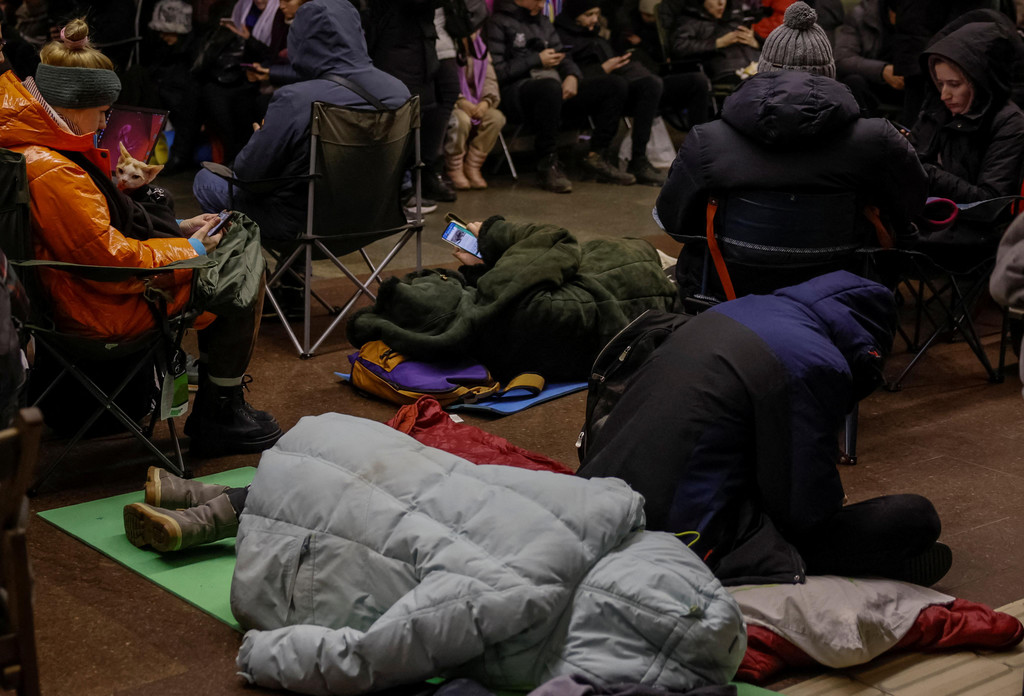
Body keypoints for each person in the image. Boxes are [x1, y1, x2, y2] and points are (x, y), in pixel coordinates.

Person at [123, 415, 747, 696]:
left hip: (349, 443)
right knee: (338, 529)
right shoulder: (512, 598)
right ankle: (216, 513)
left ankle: (207, 502)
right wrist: (261, 657)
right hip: (309, 531)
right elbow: (373, 656)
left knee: (398, 502)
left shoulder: (612, 506)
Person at [0, 18, 282, 456]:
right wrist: (189, 248)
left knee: (231, 243)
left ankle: (220, 405)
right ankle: (220, 411)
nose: (104, 122)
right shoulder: (54, 168)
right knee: (242, 251)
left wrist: (179, 230)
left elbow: (96, 235)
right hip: (101, 307)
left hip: (68, 295)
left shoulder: (28, 142)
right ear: (74, 104)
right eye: (101, 112)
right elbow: (110, 258)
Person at [576, 271, 952, 587]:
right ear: (868, 349)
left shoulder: (730, 312)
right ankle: (873, 566)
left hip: (600, 497)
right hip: (678, 534)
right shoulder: (815, 362)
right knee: (913, 518)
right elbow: (805, 511)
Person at [656, 2, 927, 298]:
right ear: (829, 73)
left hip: (733, 292)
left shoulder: (708, 140)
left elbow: (674, 222)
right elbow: (912, 207)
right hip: (843, 292)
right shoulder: (878, 139)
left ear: (763, 69)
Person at [346, 216, 679, 382]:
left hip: (630, 315)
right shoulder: (505, 294)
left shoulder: (468, 341)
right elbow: (556, 240)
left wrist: (479, 269)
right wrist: (490, 234)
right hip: (646, 281)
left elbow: (490, 302)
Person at [192, 0, 410, 242]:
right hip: (378, 221)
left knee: (206, 180)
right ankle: (292, 265)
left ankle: (245, 263)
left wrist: (260, 138)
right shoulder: (398, 91)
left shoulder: (296, 99)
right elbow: (406, 170)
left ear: (302, 40)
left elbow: (248, 175)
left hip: (302, 227)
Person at [487, 0, 636, 194]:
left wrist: (572, 76)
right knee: (549, 87)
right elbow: (498, 72)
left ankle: (597, 156)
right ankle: (547, 163)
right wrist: (536, 59)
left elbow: (564, 56)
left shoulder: (542, 21)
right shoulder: (498, 22)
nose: (543, 5)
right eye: (538, 0)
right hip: (517, 91)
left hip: (554, 85)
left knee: (614, 84)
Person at [909, 14, 1024, 216]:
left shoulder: (1009, 123)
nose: (944, 94)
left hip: (967, 226)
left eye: (954, 84)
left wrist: (927, 173)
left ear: (979, 83)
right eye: (940, 83)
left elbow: (990, 201)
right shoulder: (938, 108)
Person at [555, 0, 671, 185]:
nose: (594, 19)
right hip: (576, 94)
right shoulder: (560, 36)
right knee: (616, 84)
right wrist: (603, 69)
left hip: (613, 88)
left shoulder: (595, 35)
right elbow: (565, 73)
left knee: (651, 84)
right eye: (588, 15)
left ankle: (638, 159)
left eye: (597, 14)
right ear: (575, 15)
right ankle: (597, 155)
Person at [444, 30, 505, 190]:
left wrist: (486, 102)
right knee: (461, 120)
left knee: (496, 118)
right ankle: (454, 168)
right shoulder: (448, 47)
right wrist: (460, 101)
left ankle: (472, 166)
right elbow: (444, 80)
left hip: (478, 102)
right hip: (453, 103)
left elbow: (490, 80)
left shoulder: (481, 49)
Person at [834, 0, 906, 115]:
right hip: (873, 84)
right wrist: (883, 71)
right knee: (853, 82)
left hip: (909, 83)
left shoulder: (923, 14)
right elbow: (843, 59)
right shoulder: (861, 15)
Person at [668, 0, 761, 84]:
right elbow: (679, 47)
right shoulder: (689, 21)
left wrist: (756, 43)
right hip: (727, 73)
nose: (721, 2)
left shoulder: (734, 14)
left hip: (758, 67)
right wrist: (718, 43)